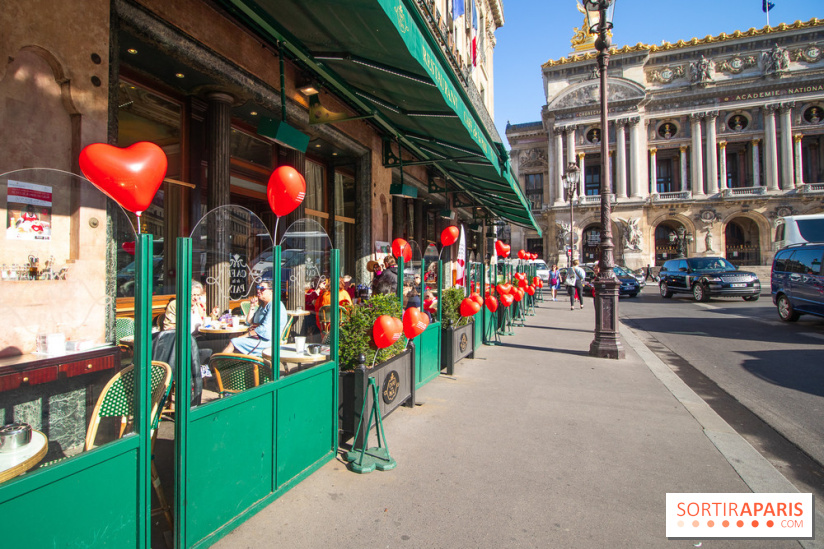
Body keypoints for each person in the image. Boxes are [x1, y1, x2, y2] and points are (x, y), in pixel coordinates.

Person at [222, 279, 287, 356]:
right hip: (258, 339)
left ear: (271, 291)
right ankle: (223, 366)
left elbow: (265, 328)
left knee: (234, 342)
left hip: (267, 342)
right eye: (258, 287)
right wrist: (252, 307)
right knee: (234, 340)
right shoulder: (263, 305)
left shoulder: (275, 305)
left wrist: (245, 335)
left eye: (262, 288)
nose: (259, 290)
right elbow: (249, 322)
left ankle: (213, 366)